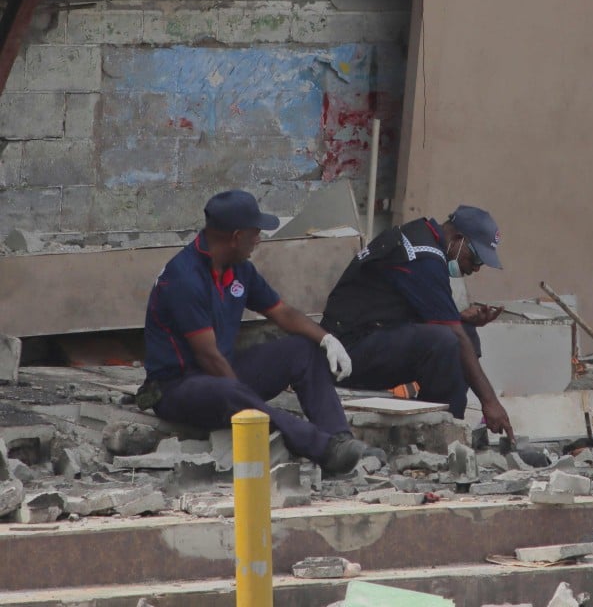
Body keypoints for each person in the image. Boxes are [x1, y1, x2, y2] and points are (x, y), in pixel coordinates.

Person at [141, 189, 375, 475]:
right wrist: (243, 398)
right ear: (236, 236)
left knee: (302, 349)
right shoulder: (184, 279)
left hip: (221, 376)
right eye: (256, 232)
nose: (259, 239)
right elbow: (209, 357)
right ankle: (322, 449)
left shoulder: (240, 270)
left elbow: (282, 313)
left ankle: (341, 441)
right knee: (229, 390)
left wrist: (326, 338)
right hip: (177, 388)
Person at [320, 205, 515, 442]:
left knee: (464, 333)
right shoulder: (423, 257)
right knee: (446, 341)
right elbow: (449, 332)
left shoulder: (420, 236)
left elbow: (413, 308)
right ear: (458, 239)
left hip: (373, 335)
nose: (474, 268)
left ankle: (442, 421)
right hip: (345, 353)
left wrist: (460, 319)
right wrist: (490, 402)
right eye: (474, 258)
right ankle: (442, 435)